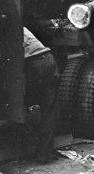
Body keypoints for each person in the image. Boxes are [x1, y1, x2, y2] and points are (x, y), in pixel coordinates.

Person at [23, 27, 60, 163]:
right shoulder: (19, 25)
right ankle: (42, 156)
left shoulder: (0, 26)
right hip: (47, 60)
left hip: (33, 63)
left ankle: (28, 148)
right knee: (48, 110)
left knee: (24, 104)